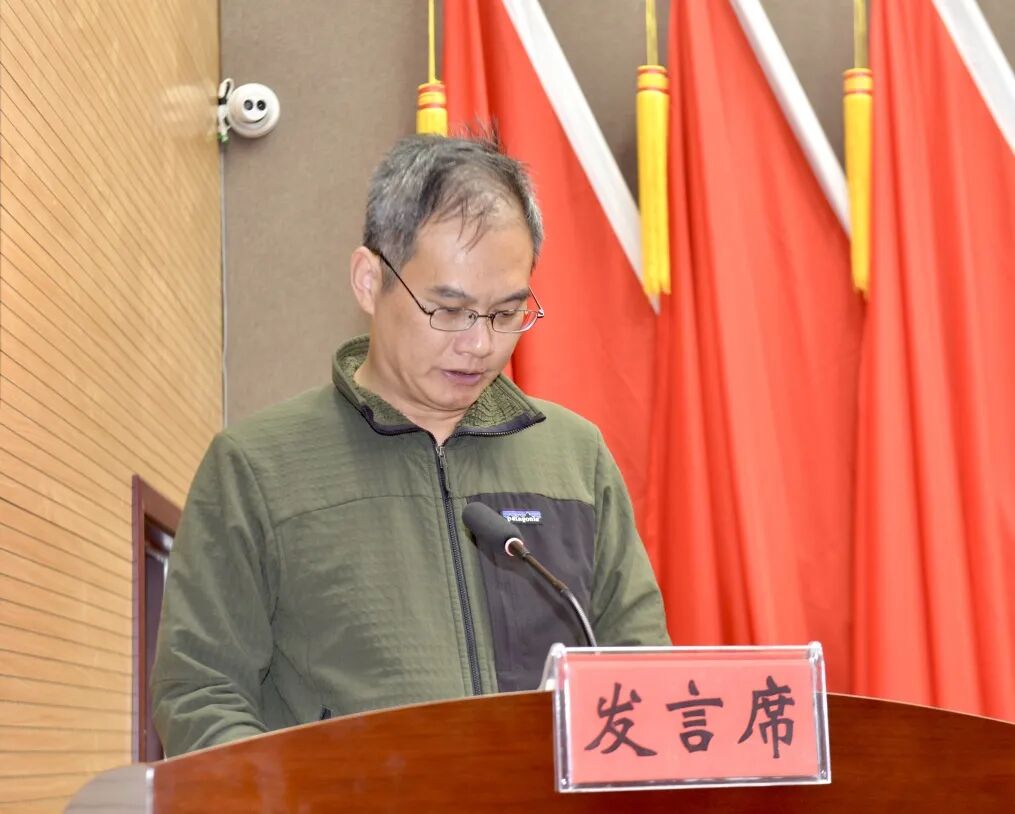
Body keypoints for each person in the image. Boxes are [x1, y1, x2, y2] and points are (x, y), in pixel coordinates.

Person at [151, 134, 669, 756]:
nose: (480, 344)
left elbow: (641, 673)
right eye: (448, 310)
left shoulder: (575, 459)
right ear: (370, 281)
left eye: (506, 313)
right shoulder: (258, 468)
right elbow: (200, 694)